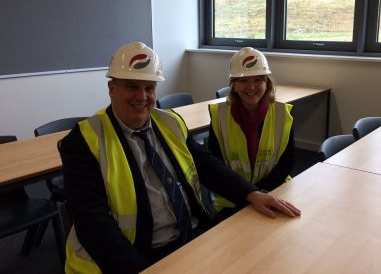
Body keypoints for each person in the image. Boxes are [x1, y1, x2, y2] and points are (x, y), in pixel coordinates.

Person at [59, 42, 300, 274]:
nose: (142, 96)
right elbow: (93, 224)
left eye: (149, 87)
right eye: (132, 86)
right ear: (112, 88)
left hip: (188, 237)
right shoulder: (83, 142)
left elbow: (208, 166)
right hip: (137, 253)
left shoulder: (169, 122)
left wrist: (251, 193)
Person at [208, 47, 295, 220]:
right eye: (243, 81)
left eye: (258, 80)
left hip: (274, 192)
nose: (251, 87)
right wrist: (248, 195)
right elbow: (215, 162)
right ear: (233, 85)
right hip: (233, 197)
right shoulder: (220, 116)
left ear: (267, 83)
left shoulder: (282, 114)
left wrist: (259, 193)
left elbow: (286, 163)